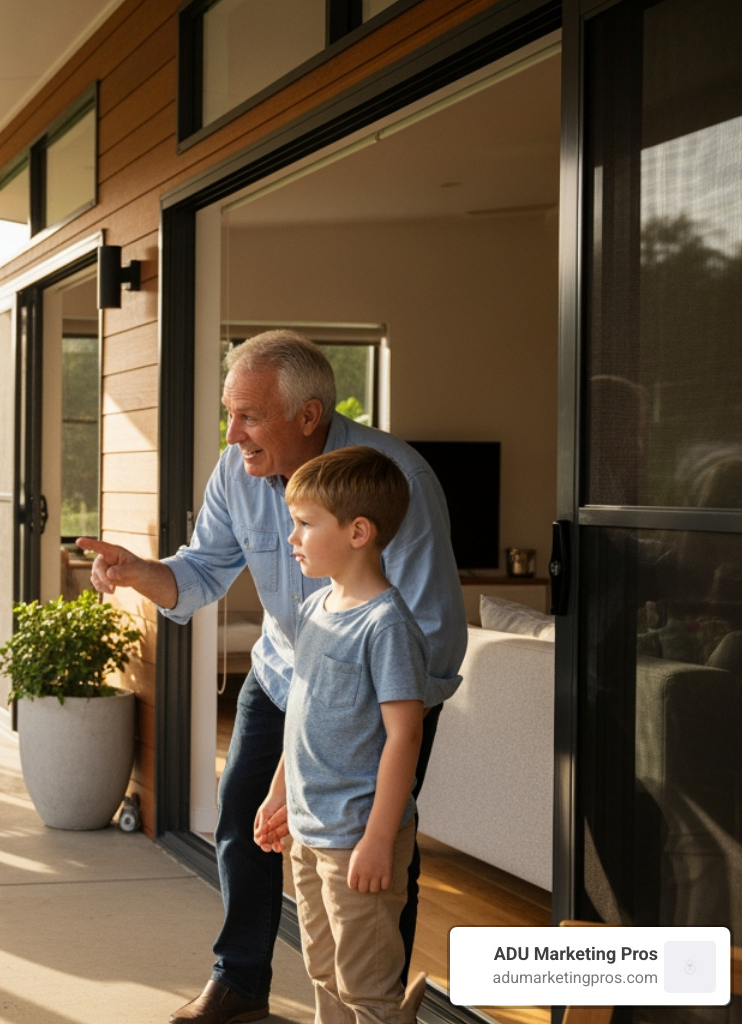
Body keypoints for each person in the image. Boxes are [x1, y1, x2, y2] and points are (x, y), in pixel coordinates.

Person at [77, 330, 465, 1024]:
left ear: (309, 415)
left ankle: (375, 996)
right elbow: (200, 574)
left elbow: (430, 631)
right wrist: (140, 572)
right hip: (290, 668)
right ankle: (241, 981)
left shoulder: (393, 479)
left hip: (378, 694)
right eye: (231, 414)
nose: (233, 435)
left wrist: (369, 736)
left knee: (370, 851)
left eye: (249, 416)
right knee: (244, 819)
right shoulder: (237, 472)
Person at [253, 446, 436, 1024]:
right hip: (310, 832)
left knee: (365, 985)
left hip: (357, 835)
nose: (293, 537)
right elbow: (302, 714)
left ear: (359, 531)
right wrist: (279, 791)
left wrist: (380, 839)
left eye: (305, 524)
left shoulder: (386, 625)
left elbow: (405, 736)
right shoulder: (315, 609)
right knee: (323, 971)